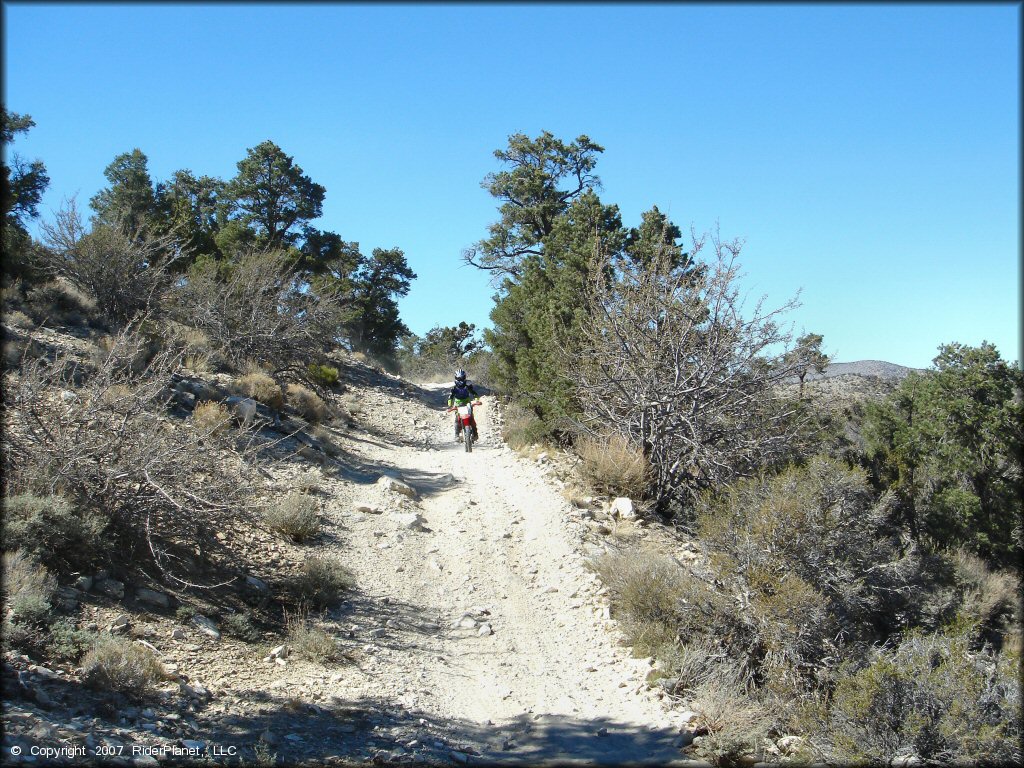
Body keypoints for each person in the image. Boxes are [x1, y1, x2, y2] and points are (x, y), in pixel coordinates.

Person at [447, 369, 480, 442]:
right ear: (456, 378)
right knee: (457, 419)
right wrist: (450, 402)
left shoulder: (468, 384)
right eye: (459, 378)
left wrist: (477, 398)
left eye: (462, 378)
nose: (461, 380)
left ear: (464, 377)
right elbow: (451, 395)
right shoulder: (454, 386)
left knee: (471, 417)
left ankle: (475, 434)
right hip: (458, 403)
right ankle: (456, 435)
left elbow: (472, 392)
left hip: (467, 402)